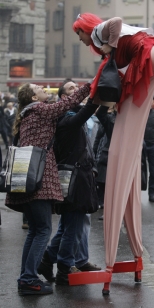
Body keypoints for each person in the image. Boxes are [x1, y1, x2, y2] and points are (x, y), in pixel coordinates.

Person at [72, 13, 154, 274]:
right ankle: (133, 254)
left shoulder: (102, 32)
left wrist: (109, 43)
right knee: (130, 144)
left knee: (124, 149)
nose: (80, 40)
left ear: (87, 29)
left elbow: (116, 21)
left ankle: (112, 260)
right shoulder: (111, 53)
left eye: (80, 35)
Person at [5, 81, 91, 296]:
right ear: (34, 98)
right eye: (39, 89)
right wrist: (90, 86)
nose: (43, 88)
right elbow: (68, 103)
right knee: (43, 230)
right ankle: (28, 279)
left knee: (35, 231)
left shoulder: (26, 114)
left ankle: (26, 277)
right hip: (39, 181)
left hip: (27, 179)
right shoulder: (40, 110)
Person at [38, 79, 101, 285]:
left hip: (77, 175)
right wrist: (94, 94)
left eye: (77, 87)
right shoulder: (65, 118)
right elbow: (87, 112)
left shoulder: (69, 116)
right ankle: (65, 268)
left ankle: (48, 259)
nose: (76, 90)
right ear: (65, 98)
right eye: (72, 89)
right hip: (73, 178)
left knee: (68, 225)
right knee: (72, 227)